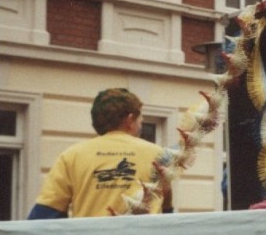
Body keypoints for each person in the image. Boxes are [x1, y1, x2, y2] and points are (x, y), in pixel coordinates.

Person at [28, 88, 173, 218]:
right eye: (141, 118)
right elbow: (167, 217)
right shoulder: (158, 154)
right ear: (130, 120)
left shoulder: (72, 156)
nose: (142, 122)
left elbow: (44, 215)